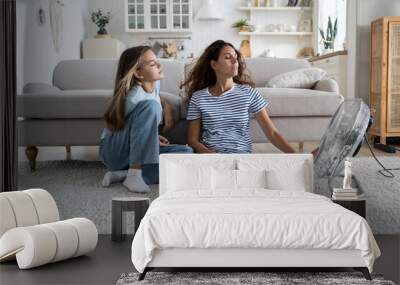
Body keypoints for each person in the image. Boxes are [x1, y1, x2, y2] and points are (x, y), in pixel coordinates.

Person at [100, 46, 192, 192]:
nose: (160, 66)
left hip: (133, 154)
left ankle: (123, 174)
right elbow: (119, 127)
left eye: (157, 61)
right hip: (115, 152)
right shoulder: (133, 97)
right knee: (151, 106)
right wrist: (151, 136)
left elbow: (139, 125)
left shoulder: (154, 85)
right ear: (138, 73)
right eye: (153, 64)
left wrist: (154, 134)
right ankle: (134, 174)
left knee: (186, 154)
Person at [182, 40, 297, 154]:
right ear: (214, 64)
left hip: (241, 157)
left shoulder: (249, 93)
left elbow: (272, 133)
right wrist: (210, 155)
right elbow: (192, 140)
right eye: (228, 57)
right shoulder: (198, 97)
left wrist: (297, 156)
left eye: (236, 58)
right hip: (211, 159)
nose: (235, 61)